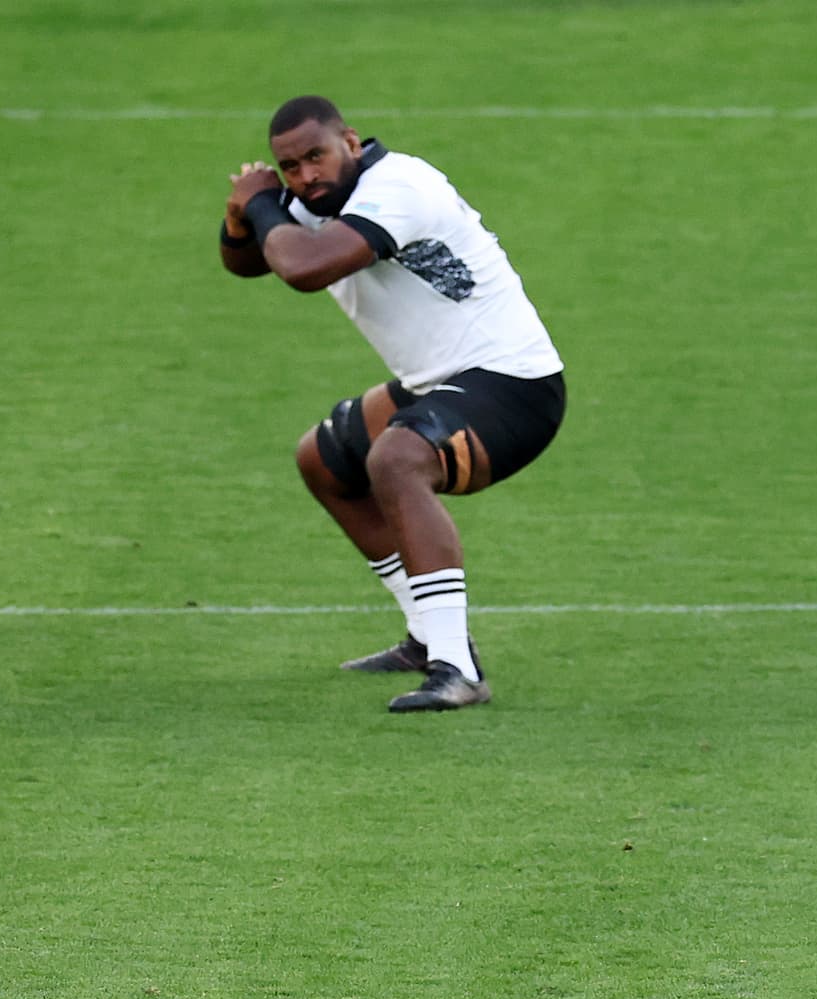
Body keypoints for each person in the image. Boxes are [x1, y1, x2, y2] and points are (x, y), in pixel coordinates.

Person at [218, 97, 568, 712]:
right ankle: (427, 635)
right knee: (322, 460)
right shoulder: (310, 203)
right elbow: (250, 263)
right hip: (440, 382)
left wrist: (266, 202)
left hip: (513, 382)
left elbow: (304, 268)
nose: (305, 176)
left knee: (396, 459)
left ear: (350, 143)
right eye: (289, 167)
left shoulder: (399, 185)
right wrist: (241, 214)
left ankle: (457, 669)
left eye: (315, 157)